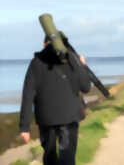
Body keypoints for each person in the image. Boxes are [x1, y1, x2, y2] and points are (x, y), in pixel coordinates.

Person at [19, 37, 91, 165]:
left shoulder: (36, 63)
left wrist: (25, 127)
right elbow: (86, 87)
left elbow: (28, 94)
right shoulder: (72, 59)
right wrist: (83, 66)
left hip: (46, 118)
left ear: (44, 44)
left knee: (49, 157)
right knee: (67, 157)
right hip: (70, 116)